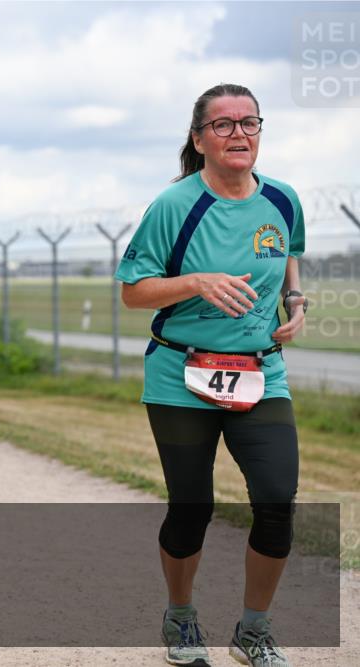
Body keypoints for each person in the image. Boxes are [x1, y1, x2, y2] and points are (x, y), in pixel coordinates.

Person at [116, 84, 306, 667]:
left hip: (260, 374)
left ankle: (253, 630)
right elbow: (132, 293)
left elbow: (290, 253)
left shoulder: (283, 198)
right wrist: (197, 282)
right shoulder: (175, 206)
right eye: (222, 125)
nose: (238, 134)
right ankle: (181, 616)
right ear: (199, 140)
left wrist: (296, 301)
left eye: (249, 123)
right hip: (181, 374)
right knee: (192, 506)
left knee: (277, 502)